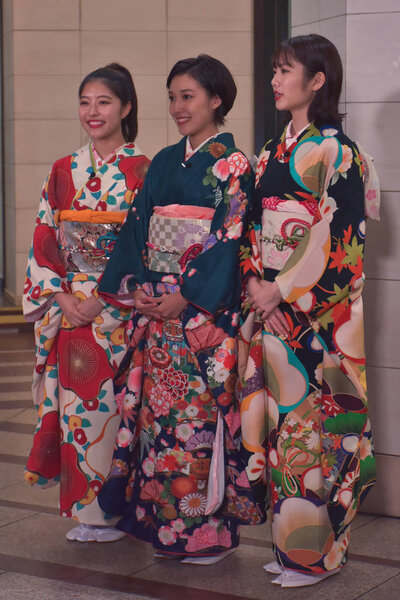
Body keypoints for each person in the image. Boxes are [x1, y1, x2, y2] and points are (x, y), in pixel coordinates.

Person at [97, 54, 263, 564]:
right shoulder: (165, 162)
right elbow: (137, 228)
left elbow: (229, 237)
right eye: (172, 97)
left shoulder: (236, 166)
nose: (177, 107)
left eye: (187, 96)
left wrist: (186, 296)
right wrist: (140, 288)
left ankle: (207, 533)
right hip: (158, 313)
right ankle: (166, 529)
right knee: (158, 425)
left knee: (199, 423)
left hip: (199, 317)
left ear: (217, 99)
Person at [238, 34, 379, 587]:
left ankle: (318, 555)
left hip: (316, 317)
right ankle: (289, 545)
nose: (275, 80)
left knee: (312, 433)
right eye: (274, 70)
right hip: (274, 309)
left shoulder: (339, 152)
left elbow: (342, 239)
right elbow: (249, 224)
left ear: (317, 81)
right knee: (279, 431)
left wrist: (282, 293)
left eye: (284, 70)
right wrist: (255, 283)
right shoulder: (272, 151)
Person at [23, 63, 150, 543]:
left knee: (118, 408)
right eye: (85, 102)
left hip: (121, 308)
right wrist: (59, 293)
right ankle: (87, 512)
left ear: (126, 108)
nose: (92, 112)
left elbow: (144, 244)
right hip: (70, 306)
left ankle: (118, 509)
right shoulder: (62, 170)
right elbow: (43, 238)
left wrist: (103, 297)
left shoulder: (145, 170)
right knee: (79, 410)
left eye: (103, 102)